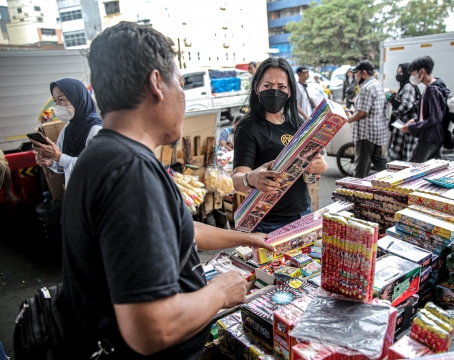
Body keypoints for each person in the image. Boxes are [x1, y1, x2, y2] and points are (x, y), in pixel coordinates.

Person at [60, 22, 274, 359]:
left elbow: (179, 230)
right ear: (157, 83)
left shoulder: (101, 156)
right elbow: (151, 329)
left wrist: (248, 239)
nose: (183, 95)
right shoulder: (131, 173)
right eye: (179, 81)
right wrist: (220, 290)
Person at [233, 57, 327, 234]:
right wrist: (250, 178)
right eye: (268, 86)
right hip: (267, 223)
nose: (275, 92)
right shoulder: (248, 127)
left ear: (290, 91)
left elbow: (313, 163)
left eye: (281, 87)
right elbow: (238, 179)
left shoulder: (297, 122)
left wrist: (320, 166)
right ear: (257, 88)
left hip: (303, 214)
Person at [30, 78, 102, 185]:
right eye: (55, 101)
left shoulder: (96, 130)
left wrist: (59, 157)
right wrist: (51, 162)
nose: (57, 105)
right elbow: (64, 166)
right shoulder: (67, 130)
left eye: (61, 99)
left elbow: (94, 168)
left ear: (78, 99)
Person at [402, 56, 450, 162]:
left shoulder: (432, 89)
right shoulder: (433, 87)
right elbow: (429, 113)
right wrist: (415, 119)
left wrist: (412, 127)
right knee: (434, 167)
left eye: (413, 73)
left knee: (413, 167)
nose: (412, 76)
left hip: (429, 137)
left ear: (422, 71)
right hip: (435, 136)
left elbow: (434, 118)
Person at [346, 60, 388, 179]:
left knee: (361, 167)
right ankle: (390, 181)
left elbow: (362, 113)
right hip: (376, 132)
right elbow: (369, 110)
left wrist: (349, 119)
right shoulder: (377, 85)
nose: (355, 76)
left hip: (366, 134)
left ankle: (356, 192)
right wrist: (355, 112)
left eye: (356, 73)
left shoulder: (366, 88)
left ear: (363, 73)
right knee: (379, 163)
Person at [388, 63, 420, 162]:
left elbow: (406, 105)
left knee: (404, 157)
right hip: (402, 127)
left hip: (405, 126)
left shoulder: (408, 86)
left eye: (401, 72)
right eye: (398, 71)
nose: (399, 74)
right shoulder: (405, 86)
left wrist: (394, 114)